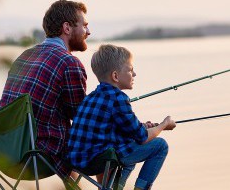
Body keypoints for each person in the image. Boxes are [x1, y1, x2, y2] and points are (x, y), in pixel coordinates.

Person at [0, 0, 91, 177]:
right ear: (67, 28)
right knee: (110, 144)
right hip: (37, 157)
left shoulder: (24, 56)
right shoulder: (69, 63)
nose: (88, 31)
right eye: (84, 26)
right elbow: (81, 119)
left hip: (5, 151)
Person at [67, 44, 176, 190]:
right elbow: (142, 137)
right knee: (160, 145)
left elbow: (117, 126)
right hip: (99, 161)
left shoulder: (90, 97)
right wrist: (163, 125)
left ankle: (115, 187)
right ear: (115, 76)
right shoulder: (118, 98)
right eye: (131, 70)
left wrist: (142, 125)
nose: (134, 74)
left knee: (129, 142)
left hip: (76, 161)